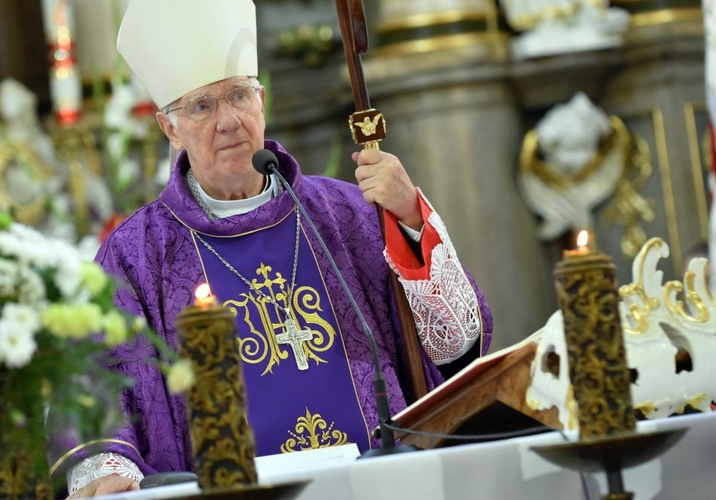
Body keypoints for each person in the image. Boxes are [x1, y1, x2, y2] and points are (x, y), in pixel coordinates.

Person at [51, 0, 493, 496]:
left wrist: (411, 216)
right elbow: (92, 380)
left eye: (239, 96)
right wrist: (106, 464)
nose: (229, 120)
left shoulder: (347, 213)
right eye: (202, 105)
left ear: (261, 102)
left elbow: (457, 347)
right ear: (169, 129)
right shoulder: (136, 254)